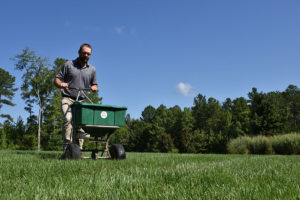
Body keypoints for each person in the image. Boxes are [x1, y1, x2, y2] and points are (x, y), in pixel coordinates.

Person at [54, 43, 98, 151]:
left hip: (81, 100)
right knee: (68, 119)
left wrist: (94, 88)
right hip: (68, 98)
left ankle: (78, 151)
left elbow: (95, 84)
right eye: (84, 53)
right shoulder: (68, 65)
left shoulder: (91, 69)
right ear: (79, 52)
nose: (86, 55)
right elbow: (56, 80)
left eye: (89, 54)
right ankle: (67, 149)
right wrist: (61, 84)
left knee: (80, 125)